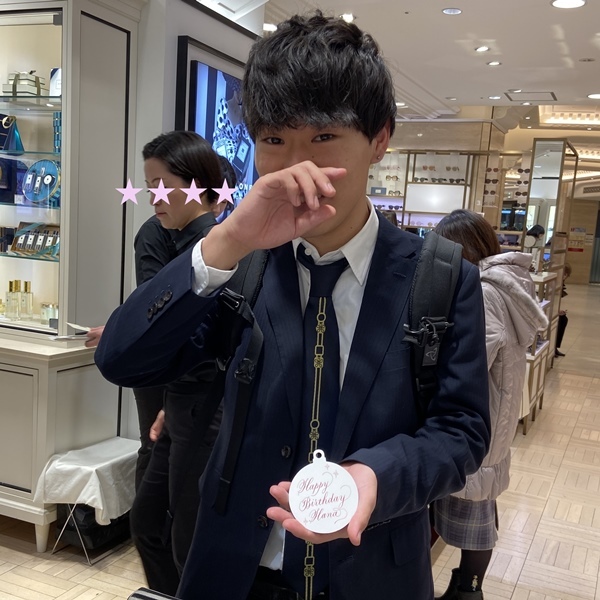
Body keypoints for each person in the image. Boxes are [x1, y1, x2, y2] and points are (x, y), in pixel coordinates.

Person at [94, 12, 491, 600]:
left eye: (323, 138)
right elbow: (122, 359)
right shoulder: (240, 266)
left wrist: (377, 477)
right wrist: (227, 240)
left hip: (373, 571)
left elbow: (462, 430)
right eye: (274, 140)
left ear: (380, 139)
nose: (295, 167)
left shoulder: (440, 277)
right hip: (235, 570)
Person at [88, 130, 225, 595]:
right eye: (148, 188)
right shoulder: (180, 242)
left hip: (205, 411)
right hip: (180, 404)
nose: (153, 198)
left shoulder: (212, 250)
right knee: (149, 523)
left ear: (196, 184)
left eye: (162, 186)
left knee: (186, 539)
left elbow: (206, 340)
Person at [432, 210, 548, 600]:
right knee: (481, 504)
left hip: (480, 415)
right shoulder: (505, 282)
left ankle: (468, 591)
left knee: (474, 515)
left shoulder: (482, 290)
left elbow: (472, 358)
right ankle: (467, 587)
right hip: (496, 411)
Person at [555, 262, 572, 357]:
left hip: (552, 310)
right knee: (561, 320)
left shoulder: (560, 284)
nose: (565, 276)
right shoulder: (553, 283)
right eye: (564, 274)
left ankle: (555, 346)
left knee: (563, 319)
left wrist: (558, 310)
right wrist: (556, 311)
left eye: (566, 275)